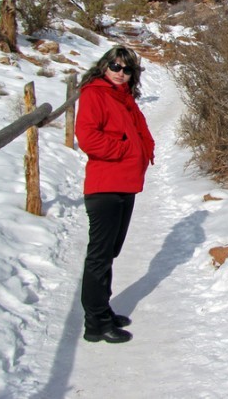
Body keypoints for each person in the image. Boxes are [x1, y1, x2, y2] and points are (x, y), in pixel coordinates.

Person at [75, 45, 155, 343]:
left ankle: (102, 309)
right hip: (105, 185)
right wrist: (125, 150)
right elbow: (87, 137)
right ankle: (94, 322)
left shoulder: (124, 97)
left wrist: (142, 151)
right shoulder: (94, 93)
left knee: (110, 252)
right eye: (115, 67)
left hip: (124, 184)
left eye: (126, 69)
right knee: (99, 255)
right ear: (103, 67)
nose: (121, 73)